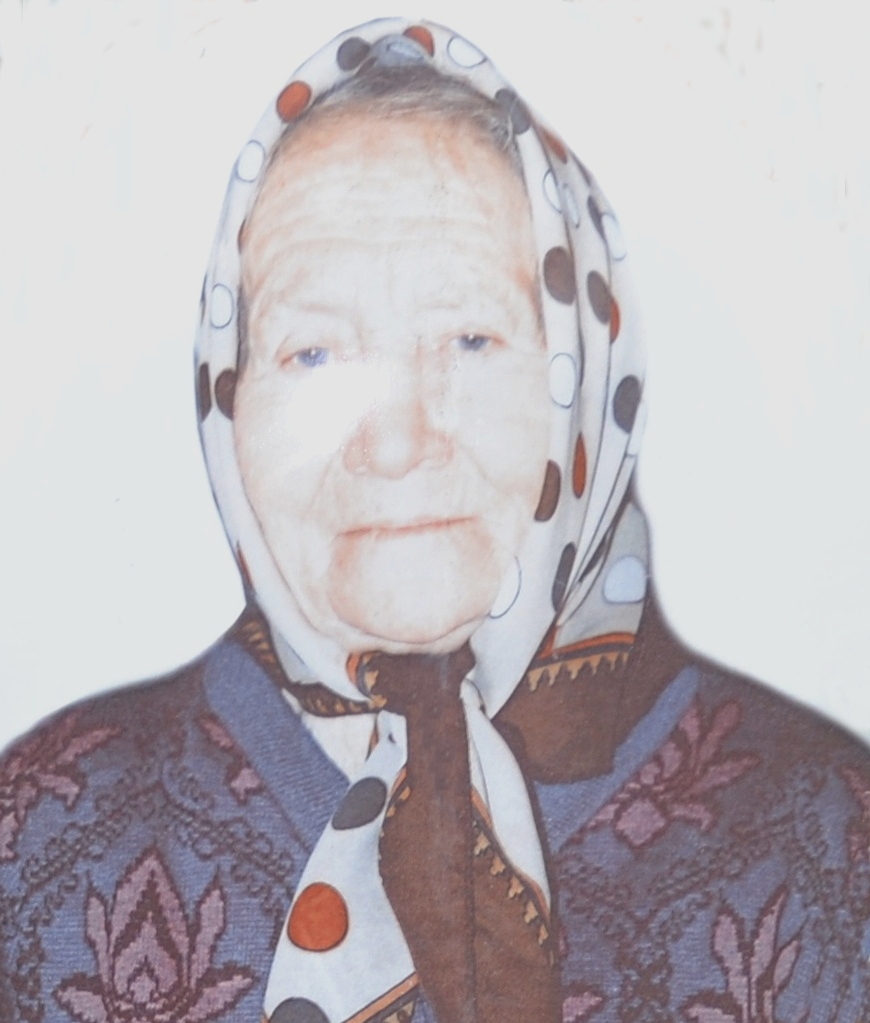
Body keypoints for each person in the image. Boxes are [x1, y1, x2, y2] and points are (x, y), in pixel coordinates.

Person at [2, 18, 869, 1023]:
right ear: (227, 402)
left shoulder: (831, 849)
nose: (395, 441)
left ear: (586, 381)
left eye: (469, 338)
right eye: (313, 354)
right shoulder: (33, 838)